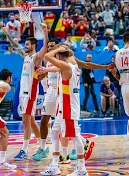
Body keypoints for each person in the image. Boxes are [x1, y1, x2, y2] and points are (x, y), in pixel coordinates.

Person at [1, 24, 49, 160]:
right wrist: (7, 34)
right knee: (32, 121)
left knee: (26, 122)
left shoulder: (35, 57)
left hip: (30, 94)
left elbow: (44, 49)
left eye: (27, 44)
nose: (25, 46)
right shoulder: (26, 56)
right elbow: (16, 47)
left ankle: (24, 150)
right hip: (23, 93)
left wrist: (45, 33)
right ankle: (43, 147)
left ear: (33, 45)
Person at [40, 46, 87, 176]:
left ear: (60, 57)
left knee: (75, 137)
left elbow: (47, 56)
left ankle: (82, 169)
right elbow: (55, 66)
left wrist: (57, 49)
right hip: (62, 107)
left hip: (69, 107)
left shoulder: (67, 67)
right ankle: (55, 166)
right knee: (55, 133)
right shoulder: (70, 66)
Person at [32, 38, 59, 161]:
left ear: (57, 47)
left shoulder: (61, 58)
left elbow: (60, 69)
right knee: (43, 120)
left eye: (52, 46)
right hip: (50, 91)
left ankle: (72, 147)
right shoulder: (48, 61)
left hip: (60, 91)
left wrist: (46, 70)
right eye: (48, 47)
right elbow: (42, 75)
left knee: (63, 122)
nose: (50, 48)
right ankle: (42, 148)